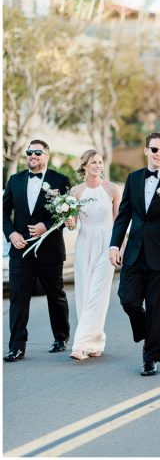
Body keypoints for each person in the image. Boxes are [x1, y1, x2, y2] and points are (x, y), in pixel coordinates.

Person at [109, 132, 160, 377]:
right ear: (146, 150)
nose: (158, 154)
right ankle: (147, 328)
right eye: (154, 149)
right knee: (128, 299)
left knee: (156, 307)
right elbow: (123, 215)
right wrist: (114, 245)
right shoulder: (133, 179)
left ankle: (151, 358)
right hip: (134, 252)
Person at [3, 140, 71, 361]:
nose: (32, 156)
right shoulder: (15, 180)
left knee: (56, 295)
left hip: (49, 250)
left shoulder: (60, 181)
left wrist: (47, 226)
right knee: (19, 299)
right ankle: (17, 346)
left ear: (47, 155)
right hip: (20, 250)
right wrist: (11, 234)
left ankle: (60, 337)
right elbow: (4, 214)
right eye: (29, 152)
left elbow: (67, 214)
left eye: (37, 152)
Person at [67, 150, 121, 360]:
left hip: (106, 244)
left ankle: (80, 344)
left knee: (98, 293)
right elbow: (72, 224)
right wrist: (69, 221)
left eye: (100, 162)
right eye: (93, 162)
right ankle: (94, 342)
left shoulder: (112, 189)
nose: (98, 165)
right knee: (84, 293)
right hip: (84, 244)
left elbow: (119, 222)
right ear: (85, 166)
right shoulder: (76, 192)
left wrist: (120, 247)